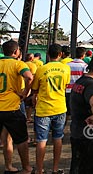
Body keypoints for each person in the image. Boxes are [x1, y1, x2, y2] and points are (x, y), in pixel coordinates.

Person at [31, 43, 71, 174]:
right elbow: (65, 85)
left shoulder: (42, 69)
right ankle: (55, 168)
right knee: (58, 138)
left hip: (43, 109)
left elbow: (35, 89)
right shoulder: (66, 69)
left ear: (48, 54)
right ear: (60, 55)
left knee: (41, 141)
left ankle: (39, 170)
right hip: (60, 107)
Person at [0, 40, 34, 174]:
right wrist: (25, 93)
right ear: (16, 52)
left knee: (6, 138)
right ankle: (26, 167)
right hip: (12, 108)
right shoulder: (18, 64)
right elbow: (29, 77)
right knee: (21, 140)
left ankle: (9, 166)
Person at [66, 47, 88, 119]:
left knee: (66, 113)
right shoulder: (85, 66)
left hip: (67, 90)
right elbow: (86, 79)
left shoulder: (67, 65)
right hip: (79, 91)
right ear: (83, 55)